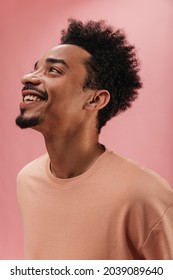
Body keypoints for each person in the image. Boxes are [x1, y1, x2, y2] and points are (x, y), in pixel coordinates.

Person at [16, 19, 173, 260]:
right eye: (35, 68)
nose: (28, 77)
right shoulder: (28, 179)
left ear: (95, 100)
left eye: (53, 70)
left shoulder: (144, 195)